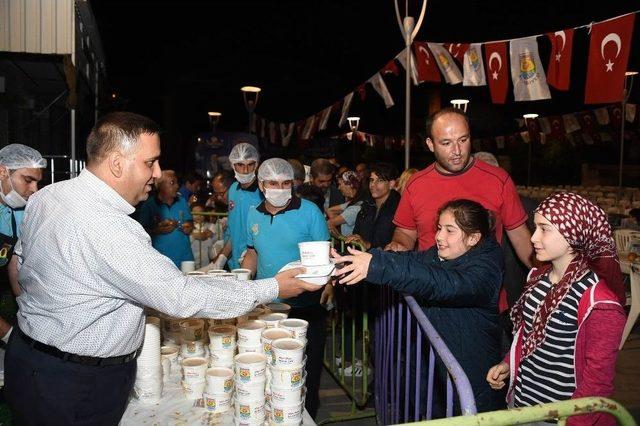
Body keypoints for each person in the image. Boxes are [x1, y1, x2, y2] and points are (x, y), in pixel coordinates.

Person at [5, 112, 319, 425]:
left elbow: (18, 269)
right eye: (149, 162)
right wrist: (274, 287)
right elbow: (180, 298)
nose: (156, 173)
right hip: (73, 381)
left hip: (30, 358)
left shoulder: (48, 196)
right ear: (117, 163)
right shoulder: (108, 227)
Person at [332, 199, 505, 413]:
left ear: (473, 238)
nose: (439, 236)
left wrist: (376, 267)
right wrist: (362, 260)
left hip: (472, 377)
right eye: (439, 228)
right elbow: (413, 261)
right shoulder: (449, 252)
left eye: (449, 231)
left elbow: (441, 283)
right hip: (442, 369)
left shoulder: (486, 267)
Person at [487, 193, 626, 426]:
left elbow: (597, 383)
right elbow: (528, 337)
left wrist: (572, 423)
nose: (533, 237)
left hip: (560, 419)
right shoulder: (537, 278)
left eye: (544, 229)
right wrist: (508, 364)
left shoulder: (600, 305)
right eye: (536, 227)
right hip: (522, 407)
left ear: (574, 234)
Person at [387, 108, 533, 273]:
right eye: (446, 143)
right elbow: (405, 233)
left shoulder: (498, 179)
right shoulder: (416, 184)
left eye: (462, 140)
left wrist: (549, 278)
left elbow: (521, 238)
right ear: (430, 144)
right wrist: (398, 246)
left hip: (483, 293)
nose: (457, 151)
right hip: (429, 291)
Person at [241, 158, 331, 419]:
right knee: (270, 374)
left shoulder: (310, 211)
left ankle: (306, 419)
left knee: (305, 375)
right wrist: (243, 286)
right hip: (268, 309)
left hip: (306, 307)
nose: (279, 188)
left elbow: (324, 254)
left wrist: (329, 284)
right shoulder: (253, 213)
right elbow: (252, 253)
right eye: (273, 183)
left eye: (285, 183)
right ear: (261, 185)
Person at [0, 144, 46, 344]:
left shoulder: (19, 212)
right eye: (28, 180)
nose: (34, 190)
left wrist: (29, 310)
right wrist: (9, 335)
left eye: (37, 182)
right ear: (2, 172)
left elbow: (14, 265)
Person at [215, 143, 263, 271]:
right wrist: (222, 257)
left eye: (250, 164)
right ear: (232, 165)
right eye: (240, 165)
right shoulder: (233, 190)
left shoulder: (263, 192)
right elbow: (233, 230)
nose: (246, 170)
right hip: (234, 263)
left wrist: (254, 255)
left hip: (256, 265)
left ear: (257, 164)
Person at [138, 170, 195, 268]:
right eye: (172, 183)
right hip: (161, 262)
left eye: (177, 182)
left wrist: (189, 227)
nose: (177, 186)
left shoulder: (182, 201)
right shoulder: (149, 205)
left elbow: (190, 223)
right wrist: (157, 230)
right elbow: (140, 232)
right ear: (159, 185)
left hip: (185, 259)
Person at [346, 162, 400, 250]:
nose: (373, 185)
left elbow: (395, 245)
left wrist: (368, 245)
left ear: (391, 184)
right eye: (371, 180)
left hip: (386, 261)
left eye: (380, 180)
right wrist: (354, 239)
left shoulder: (398, 210)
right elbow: (357, 235)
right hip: (363, 259)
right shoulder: (366, 207)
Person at [326, 171, 365, 237]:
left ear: (350, 185)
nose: (339, 188)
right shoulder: (355, 202)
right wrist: (340, 221)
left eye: (340, 184)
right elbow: (330, 210)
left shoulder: (355, 208)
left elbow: (328, 224)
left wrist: (341, 238)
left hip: (350, 245)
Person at [190, 204, 219, 269]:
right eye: (195, 214)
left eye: (201, 213)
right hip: (191, 259)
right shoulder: (188, 226)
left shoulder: (211, 225)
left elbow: (205, 236)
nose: (199, 216)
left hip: (204, 261)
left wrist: (192, 234)